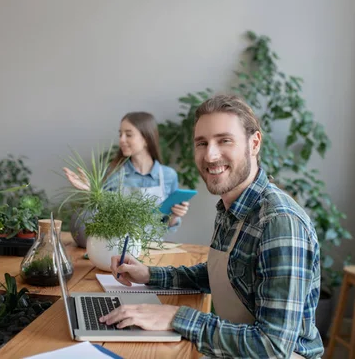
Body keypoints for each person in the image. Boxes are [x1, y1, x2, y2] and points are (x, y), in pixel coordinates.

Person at [99, 95, 323, 358]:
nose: (210, 154)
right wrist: (149, 275)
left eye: (224, 140)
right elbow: (224, 276)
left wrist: (175, 316)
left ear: (254, 143)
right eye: (202, 143)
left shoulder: (279, 223)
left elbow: (272, 347)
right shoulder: (231, 207)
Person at [63, 111, 189, 233]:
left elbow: (166, 226)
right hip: (119, 249)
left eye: (128, 135)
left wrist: (175, 216)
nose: (121, 140)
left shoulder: (169, 176)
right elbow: (101, 215)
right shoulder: (114, 173)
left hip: (155, 250)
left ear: (146, 139)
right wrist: (90, 191)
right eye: (120, 134)